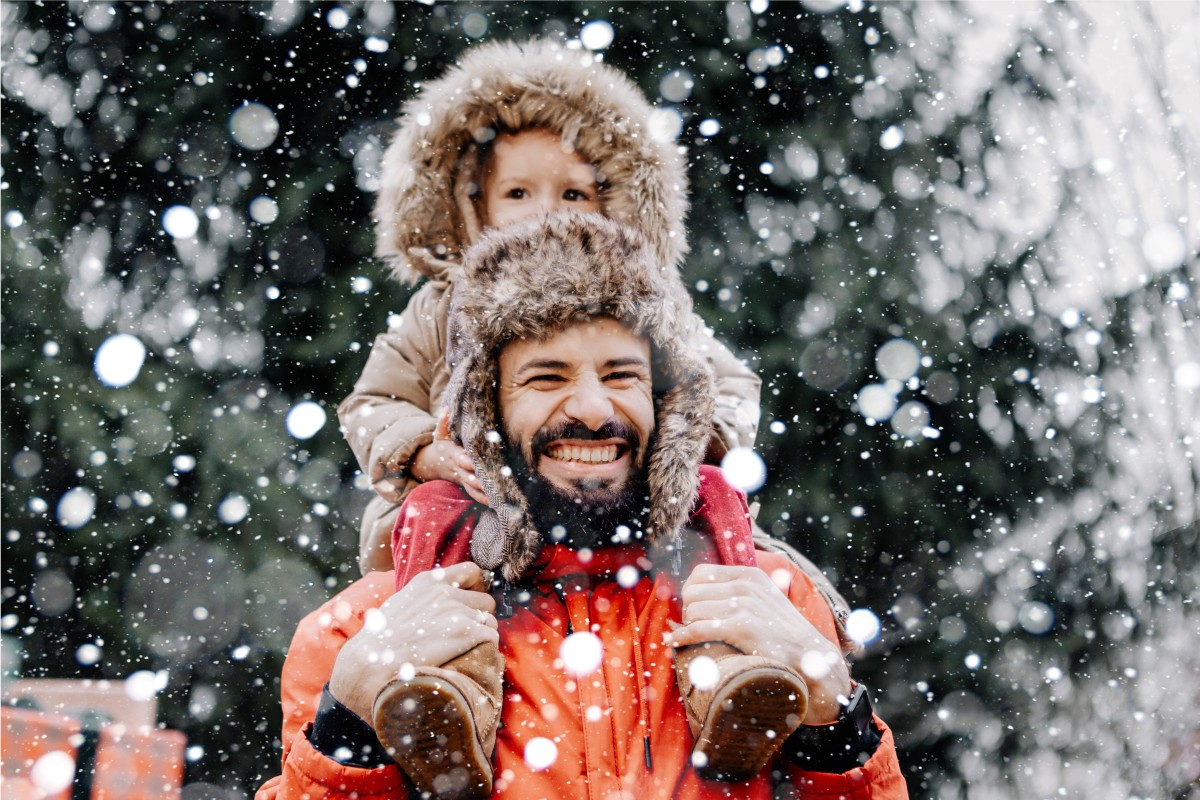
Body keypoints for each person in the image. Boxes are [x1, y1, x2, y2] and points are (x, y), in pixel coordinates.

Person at [257, 215, 908, 800]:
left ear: (669, 406)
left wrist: (837, 724)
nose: (594, 410)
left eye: (623, 375)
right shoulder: (358, 633)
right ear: (486, 415)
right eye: (547, 377)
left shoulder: (773, 603)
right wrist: (346, 730)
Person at [338, 38, 762, 574]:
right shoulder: (442, 306)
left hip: (622, 509)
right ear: (475, 207)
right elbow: (373, 402)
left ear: (613, 205)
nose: (545, 212)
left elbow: (729, 386)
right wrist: (423, 452)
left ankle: (727, 623)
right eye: (518, 193)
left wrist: (688, 443)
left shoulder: (643, 302)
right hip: (480, 521)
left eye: (573, 194)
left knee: (717, 497)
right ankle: (436, 640)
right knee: (431, 512)